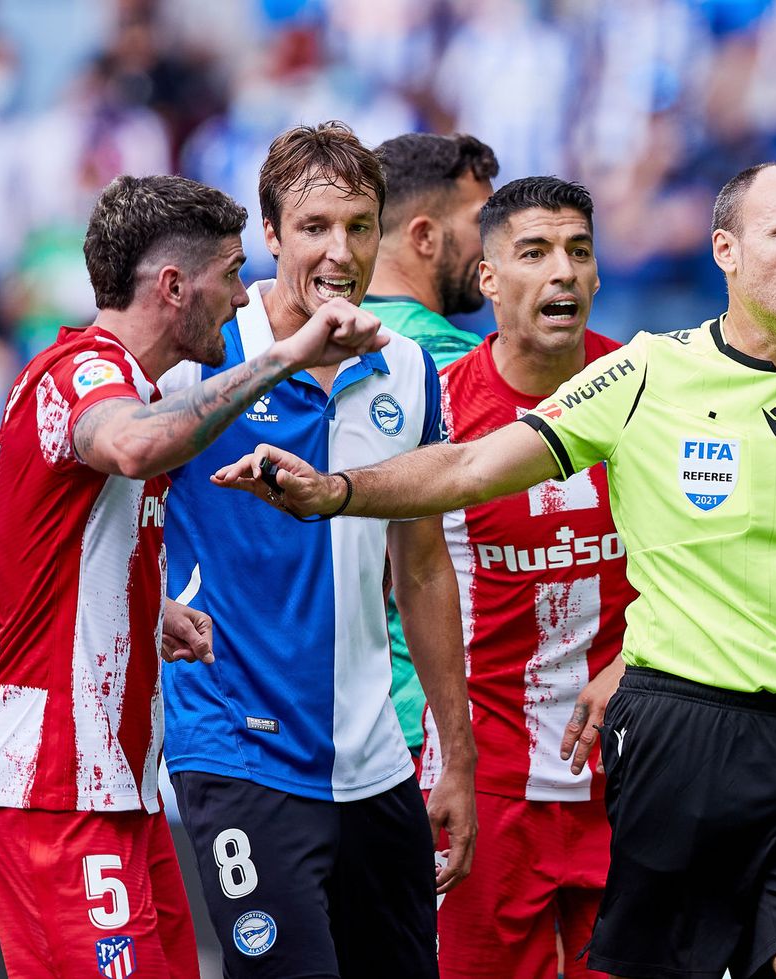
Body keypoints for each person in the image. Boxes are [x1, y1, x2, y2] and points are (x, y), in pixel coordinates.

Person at [213, 161, 776, 979]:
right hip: (674, 738)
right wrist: (336, 492)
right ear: (725, 250)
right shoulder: (647, 369)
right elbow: (471, 467)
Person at [0, 172, 386, 979]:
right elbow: (132, 446)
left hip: (116, 783)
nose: (239, 300)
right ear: (172, 285)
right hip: (56, 783)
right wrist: (290, 353)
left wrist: (124, 601)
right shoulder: (87, 376)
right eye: (230, 274)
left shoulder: (68, 375)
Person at [157, 122, 476, 979]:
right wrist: (141, 607)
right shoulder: (198, 354)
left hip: (375, 761)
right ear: (269, 236)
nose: (341, 250)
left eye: (360, 226)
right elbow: (25, 491)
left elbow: (422, 566)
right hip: (235, 749)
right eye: (314, 227)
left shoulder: (407, 367)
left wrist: (454, 752)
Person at [419, 175, 632, 979]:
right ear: (488, 276)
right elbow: (400, 586)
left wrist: (630, 657)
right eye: (535, 252)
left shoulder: (649, 392)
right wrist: (447, 763)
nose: (563, 273)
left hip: (632, 784)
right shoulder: (440, 410)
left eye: (579, 252)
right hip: (491, 784)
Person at [365, 131, 498, 772]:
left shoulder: (299, 346)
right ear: (423, 235)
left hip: (327, 720)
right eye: (482, 220)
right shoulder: (452, 368)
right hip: (428, 719)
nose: (493, 242)